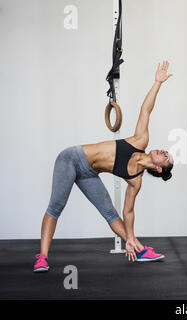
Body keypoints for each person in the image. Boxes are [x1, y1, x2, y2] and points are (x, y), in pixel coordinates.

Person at [33, 61, 174, 272]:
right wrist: (157, 83)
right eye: (164, 150)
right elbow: (146, 109)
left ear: (160, 169)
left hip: (89, 173)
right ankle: (42, 258)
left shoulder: (135, 181)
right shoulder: (140, 140)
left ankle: (138, 248)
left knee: (110, 213)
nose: (163, 151)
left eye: (166, 157)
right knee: (56, 206)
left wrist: (129, 237)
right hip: (71, 158)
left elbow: (128, 212)